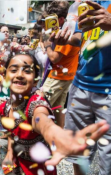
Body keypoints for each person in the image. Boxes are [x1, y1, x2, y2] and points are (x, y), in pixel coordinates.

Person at [0, 53, 109, 175]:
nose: (19, 74)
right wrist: (9, 153)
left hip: (37, 172)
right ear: (5, 74)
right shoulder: (5, 107)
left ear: (36, 79)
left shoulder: (36, 104)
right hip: (17, 166)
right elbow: (11, 132)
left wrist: (54, 133)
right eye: (13, 70)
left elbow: (41, 119)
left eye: (27, 71)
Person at [47, 1, 111, 175]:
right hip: (80, 84)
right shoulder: (81, 4)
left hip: (108, 90)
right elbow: (79, 37)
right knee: (78, 143)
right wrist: (63, 40)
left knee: (108, 152)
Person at [42, 0, 81, 128]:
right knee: (58, 109)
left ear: (60, 19)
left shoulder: (66, 31)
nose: (46, 24)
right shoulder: (72, 28)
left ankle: (37, 138)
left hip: (57, 77)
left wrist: (47, 45)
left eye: (49, 20)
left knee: (39, 106)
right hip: (66, 76)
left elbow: (54, 58)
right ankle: (58, 139)